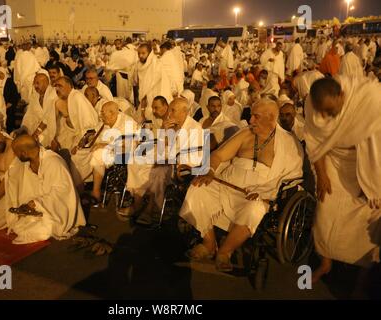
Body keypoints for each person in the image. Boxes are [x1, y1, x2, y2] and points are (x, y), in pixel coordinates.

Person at [180, 98, 303, 272]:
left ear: (271, 117)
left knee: (255, 210)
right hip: (227, 181)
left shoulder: (289, 143)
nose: (251, 120)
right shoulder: (246, 133)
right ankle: (208, 243)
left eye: (256, 116)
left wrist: (265, 191)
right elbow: (218, 155)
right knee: (197, 188)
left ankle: (225, 251)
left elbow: (292, 175)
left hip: (258, 191)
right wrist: (210, 171)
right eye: (251, 115)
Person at [304, 77, 381, 283]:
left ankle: (362, 275)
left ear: (342, 96)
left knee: (368, 218)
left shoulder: (371, 99)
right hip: (333, 161)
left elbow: (377, 141)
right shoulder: (311, 104)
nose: (325, 116)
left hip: (368, 163)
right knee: (325, 212)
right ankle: (326, 263)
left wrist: (372, 181)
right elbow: (314, 143)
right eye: (321, 110)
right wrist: (321, 175)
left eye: (330, 110)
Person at [4, 134, 86, 244]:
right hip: (39, 210)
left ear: (24, 153)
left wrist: (37, 203)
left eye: (16, 152)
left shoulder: (53, 162)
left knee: (41, 231)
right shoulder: (28, 162)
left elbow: (63, 193)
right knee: (18, 226)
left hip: (58, 212)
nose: (14, 155)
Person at [89, 101, 138, 203]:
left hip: (124, 155)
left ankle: (96, 191)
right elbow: (96, 136)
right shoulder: (105, 122)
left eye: (103, 113)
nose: (100, 115)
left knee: (98, 154)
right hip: (107, 153)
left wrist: (106, 146)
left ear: (112, 113)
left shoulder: (128, 123)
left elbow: (128, 147)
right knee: (83, 154)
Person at [136, 42, 173, 121]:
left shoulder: (156, 65)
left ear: (149, 54)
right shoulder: (140, 66)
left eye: (143, 53)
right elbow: (143, 89)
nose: (140, 56)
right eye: (139, 53)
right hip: (146, 103)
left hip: (158, 99)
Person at [20, 72, 58, 148]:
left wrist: (36, 133)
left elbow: (49, 117)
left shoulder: (54, 94)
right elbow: (29, 114)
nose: (35, 86)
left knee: (35, 144)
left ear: (46, 83)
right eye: (34, 83)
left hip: (51, 129)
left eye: (37, 83)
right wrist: (23, 128)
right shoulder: (35, 96)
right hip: (36, 128)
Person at [0, 67, 21, 133]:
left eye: (1, 73)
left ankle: (8, 130)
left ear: (5, 73)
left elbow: (15, 94)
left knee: (9, 111)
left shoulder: (9, 82)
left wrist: (10, 103)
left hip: (7, 103)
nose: (0, 75)